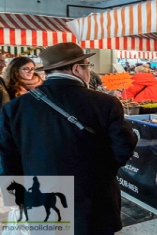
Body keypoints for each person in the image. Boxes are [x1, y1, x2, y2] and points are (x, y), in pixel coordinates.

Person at [0, 42, 138, 234]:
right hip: (93, 194)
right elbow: (124, 146)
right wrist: (101, 172)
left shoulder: (14, 108)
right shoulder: (105, 103)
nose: (88, 71)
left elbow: (8, 158)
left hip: (41, 195)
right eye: (88, 66)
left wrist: (17, 200)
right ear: (77, 69)